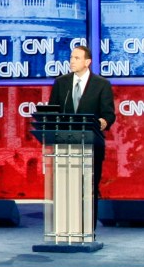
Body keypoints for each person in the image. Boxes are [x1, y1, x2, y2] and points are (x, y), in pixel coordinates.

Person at [49, 44, 116, 212]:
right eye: (71, 57)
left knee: (89, 188)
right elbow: (52, 112)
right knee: (66, 188)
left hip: (92, 144)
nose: (72, 61)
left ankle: (88, 230)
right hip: (65, 145)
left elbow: (109, 114)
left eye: (77, 58)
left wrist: (102, 122)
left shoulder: (101, 84)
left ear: (87, 62)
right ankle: (65, 229)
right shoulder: (61, 83)